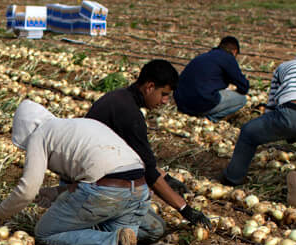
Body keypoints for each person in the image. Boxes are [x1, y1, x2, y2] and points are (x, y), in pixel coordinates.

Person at [0, 99, 183, 245]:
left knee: (45, 232)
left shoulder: (40, 134)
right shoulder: (79, 125)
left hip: (106, 193)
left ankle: (114, 242)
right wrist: (56, 193)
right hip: (139, 190)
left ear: (26, 130)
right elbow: (100, 170)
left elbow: (26, 190)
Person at [220, 24, 296, 210]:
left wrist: (274, 129)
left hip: (290, 113)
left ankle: (233, 178)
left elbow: (272, 102)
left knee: (248, 133)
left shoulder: (284, 67)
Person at [86, 59, 210, 229]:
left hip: (87, 175)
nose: (165, 101)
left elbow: (136, 156)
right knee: (153, 227)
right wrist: (185, 209)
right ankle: (96, 226)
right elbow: (149, 173)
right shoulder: (130, 115)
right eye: (164, 94)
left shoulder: (119, 97)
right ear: (150, 87)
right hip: (90, 187)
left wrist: (166, 178)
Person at [174, 36, 251, 123]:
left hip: (181, 103)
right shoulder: (228, 58)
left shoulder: (203, 56)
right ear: (234, 51)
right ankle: (210, 119)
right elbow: (244, 87)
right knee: (242, 99)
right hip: (199, 104)